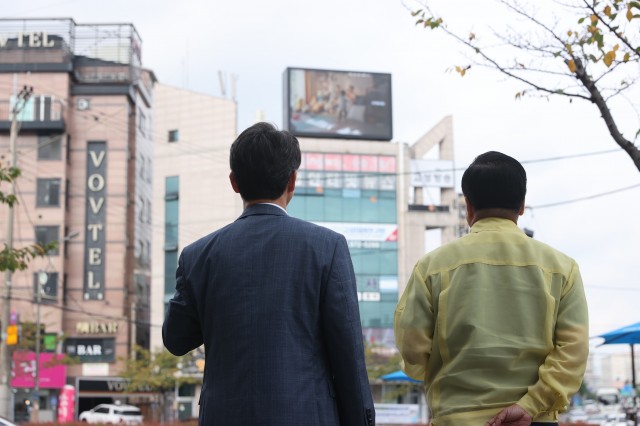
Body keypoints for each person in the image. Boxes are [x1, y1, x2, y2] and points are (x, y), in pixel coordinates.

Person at [163, 122, 375, 426]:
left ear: (234, 182)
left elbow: (175, 339)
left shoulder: (197, 256)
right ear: (292, 180)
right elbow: (349, 360)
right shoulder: (327, 247)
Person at [394, 151, 589, 426]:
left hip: (457, 418)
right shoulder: (562, 268)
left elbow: (412, 349)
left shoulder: (432, 267)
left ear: (468, 206)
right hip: (534, 419)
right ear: (521, 205)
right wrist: (530, 405)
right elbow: (574, 350)